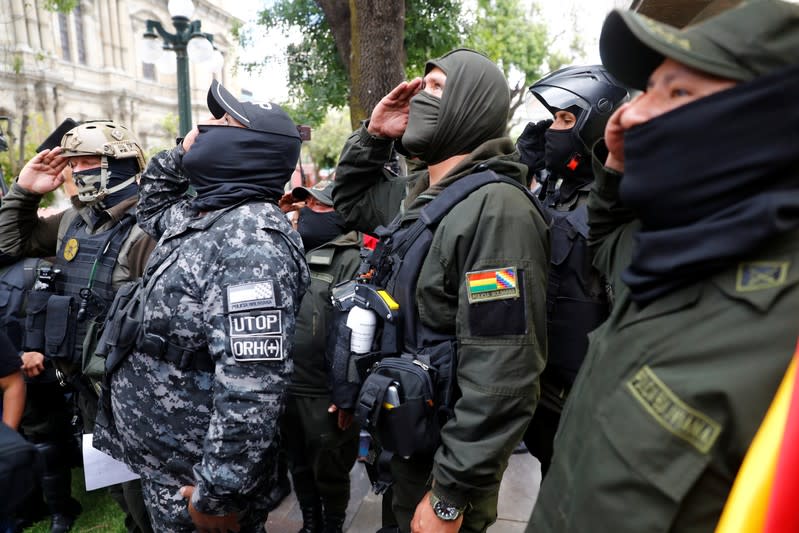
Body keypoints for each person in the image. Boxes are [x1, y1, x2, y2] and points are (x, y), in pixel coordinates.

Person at [528, 1, 799, 531]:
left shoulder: (783, 336)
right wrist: (616, 169)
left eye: (677, 92)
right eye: (647, 90)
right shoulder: (671, 253)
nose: (629, 114)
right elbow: (603, 238)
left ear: (769, 117)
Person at [333, 48, 549, 533]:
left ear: (470, 107)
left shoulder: (497, 211)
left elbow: (503, 372)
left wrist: (451, 495)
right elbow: (349, 199)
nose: (418, 97)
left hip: (444, 471)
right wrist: (373, 134)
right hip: (405, 448)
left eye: (435, 88)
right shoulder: (422, 197)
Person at [94, 79, 311, 533]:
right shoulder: (207, 216)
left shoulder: (252, 243)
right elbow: (152, 203)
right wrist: (181, 154)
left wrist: (218, 494)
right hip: (167, 463)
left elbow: (252, 387)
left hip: (195, 481)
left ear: (247, 146)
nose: (203, 127)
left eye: (221, 121)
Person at [0, 120, 155, 533]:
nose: (76, 170)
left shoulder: (151, 227)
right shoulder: (74, 221)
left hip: (137, 392)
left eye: (88, 160)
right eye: (73, 162)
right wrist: (25, 191)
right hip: (86, 388)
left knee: (150, 499)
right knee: (120, 490)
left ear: (121, 162)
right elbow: (9, 245)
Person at [515, 65, 628, 476]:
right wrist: (518, 165)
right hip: (540, 390)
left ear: (592, 123)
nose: (552, 130)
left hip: (584, 398)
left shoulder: (615, 204)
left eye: (565, 119)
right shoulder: (549, 189)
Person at [278, 179, 362, 533]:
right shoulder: (286, 249)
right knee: (296, 460)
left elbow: (357, 332)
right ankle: (310, 520)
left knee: (330, 464)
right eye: (306, 206)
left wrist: (347, 393)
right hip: (285, 383)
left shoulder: (352, 260)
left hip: (324, 390)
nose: (310, 213)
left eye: (321, 206)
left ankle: (332, 523)